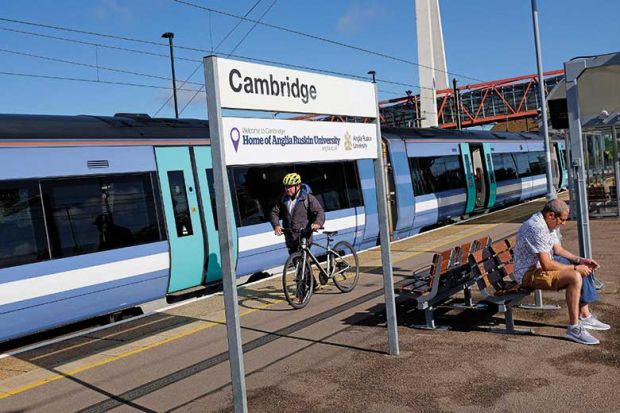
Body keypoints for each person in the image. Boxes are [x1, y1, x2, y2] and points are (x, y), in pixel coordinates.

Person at [513, 199, 609, 345]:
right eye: (562, 220)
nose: (563, 223)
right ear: (551, 215)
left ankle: (585, 315)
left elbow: (558, 250)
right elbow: (546, 265)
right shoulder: (537, 227)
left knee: (583, 266)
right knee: (575, 276)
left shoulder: (547, 224)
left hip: (539, 266)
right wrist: (576, 268)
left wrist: (580, 260)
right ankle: (574, 328)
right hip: (528, 273)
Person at [270, 172, 325, 254]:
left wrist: (317, 223)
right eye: (286, 186)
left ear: (298, 186)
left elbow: (319, 212)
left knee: (303, 261)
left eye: (290, 186)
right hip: (290, 238)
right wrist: (276, 225)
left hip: (304, 235)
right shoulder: (283, 199)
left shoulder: (308, 198)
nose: (287, 189)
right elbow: (274, 212)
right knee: (296, 262)